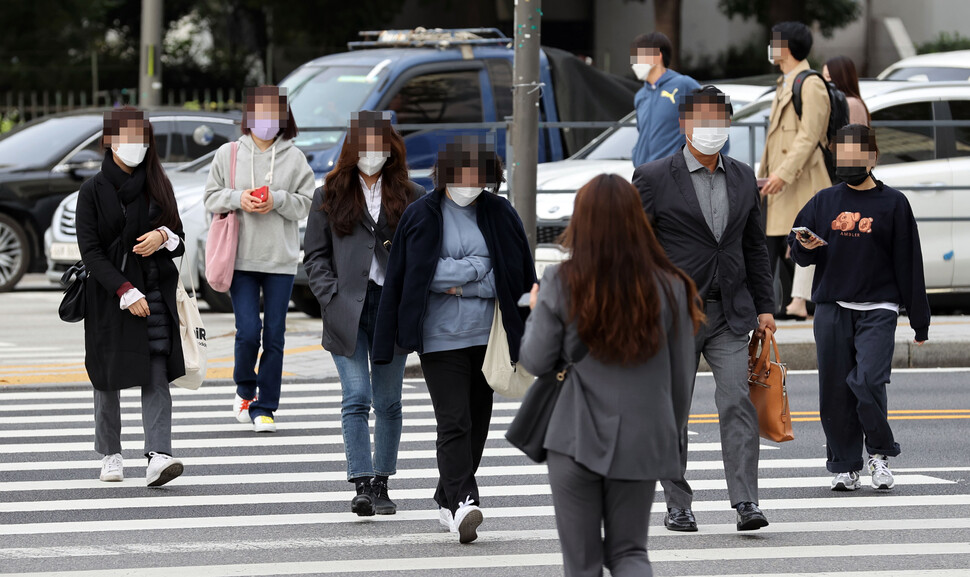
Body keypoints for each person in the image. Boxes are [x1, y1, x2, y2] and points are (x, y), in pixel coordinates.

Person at [518, 173, 702, 577]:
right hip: (642, 436)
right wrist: (668, 438)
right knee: (630, 552)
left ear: (580, 221)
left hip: (575, 434)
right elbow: (680, 378)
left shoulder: (561, 281)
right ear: (638, 220)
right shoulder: (672, 287)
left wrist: (536, 310)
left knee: (581, 564)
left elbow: (534, 360)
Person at [373, 136, 536, 544]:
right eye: (463, 175)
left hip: (489, 337)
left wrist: (462, 283)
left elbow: (511, 275)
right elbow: (418, 275)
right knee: (454, 421)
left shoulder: (500, 213)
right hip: (438, 337)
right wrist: (477, 271)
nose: (470, 183)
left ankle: (446, 496)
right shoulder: (421, 214)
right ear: (445, 174)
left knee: (477, 425)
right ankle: (464, 500)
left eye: (479, 175)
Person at [633, 85, 777, 532]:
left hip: (732, 312)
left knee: (737, 402)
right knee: (673, 411)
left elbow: (754, 245)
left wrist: (766, 306)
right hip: (673, 313)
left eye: (721, 121)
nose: (713, 129)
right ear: (684, 124)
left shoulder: (741, 175)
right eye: (704, 121)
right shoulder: (654, 176)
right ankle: (678, 503)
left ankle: (746, 503)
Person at [788, 123, 930, 492]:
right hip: (833, 306)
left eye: (854, 154)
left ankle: (879, 454)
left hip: (879, 307)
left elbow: (909, 263)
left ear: (872, 157)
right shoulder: (824, 200)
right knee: (834, 390)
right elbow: (800, 252)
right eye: (840, 154)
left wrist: (920, 320)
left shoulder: (894, 203)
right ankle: (846, 465)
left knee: (867, 380)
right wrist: (805, 243)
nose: (846, 161)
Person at [303, 111, 424, 516]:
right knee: (356, 396)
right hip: (345, 308)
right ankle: (360, 482)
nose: (373, 153)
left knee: (389, 402)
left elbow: (423, 254)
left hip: (391, 309)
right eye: (365, 145)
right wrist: (329, 296)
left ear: (391, 148)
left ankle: (382, 483)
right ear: (353, 148)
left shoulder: (411, 195)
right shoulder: (329, 194)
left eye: (381, 144)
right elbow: (315, 256)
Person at [75, 107, 186, 486]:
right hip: (109, 295)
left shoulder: (157, 182)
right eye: (127, 137)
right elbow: (90, 252)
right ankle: (111, 454)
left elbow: (179, 235)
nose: (135, 145)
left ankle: (159, 454)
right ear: (110, 140)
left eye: (141, 138)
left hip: (153, 291)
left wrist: (163, 237)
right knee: (107, 376)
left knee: (155, 372)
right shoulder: (92, 190)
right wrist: (123, 289)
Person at [204, 85, 315, 433]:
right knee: (248, 331)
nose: (265, 120)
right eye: (259, 112)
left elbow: (308, 202)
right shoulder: (229, 153)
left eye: (273, 113)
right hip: (240, 259)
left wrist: (278, 200)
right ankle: (244, 389)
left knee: (276, 335)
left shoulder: (295, 158)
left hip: (280, 260)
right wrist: (240, 197)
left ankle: (265, 406)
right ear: (248, 116)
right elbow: (210, 198)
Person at [758, 21, 832, 321]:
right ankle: (787, 306)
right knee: (775, 248)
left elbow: (809, 136)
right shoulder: (785, 82)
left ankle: (800, 306)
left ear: (785, 47)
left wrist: (782, 174)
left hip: (800, 186)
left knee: (791, 248)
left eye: (774, 41)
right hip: (781, 187)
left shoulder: (810, 83)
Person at [630, 32, 701, 167]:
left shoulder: (684, 85)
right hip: (646, 175)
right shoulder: (640, 96)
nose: (635, 63)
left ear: (657, 56)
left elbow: (716, 125)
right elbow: (643, 135)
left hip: (675, 176)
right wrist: (637, 156)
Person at [823, 56, 870, 126]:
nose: (824, 81)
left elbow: (855, 136)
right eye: (823, 77)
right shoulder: (831, 101)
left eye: (828, 77)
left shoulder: (852, 104)